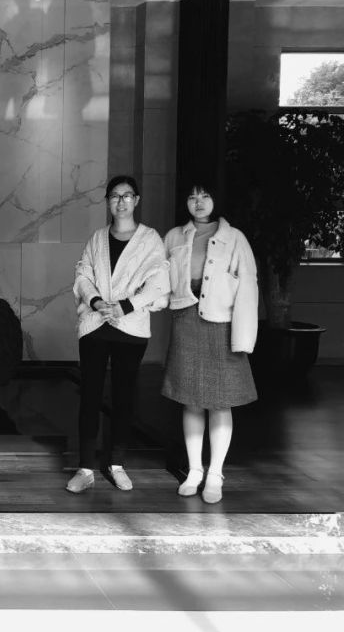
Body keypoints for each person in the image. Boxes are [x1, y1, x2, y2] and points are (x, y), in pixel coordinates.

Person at [68, 175, 170, 494]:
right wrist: (97, 301)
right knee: (90, 394)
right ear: (108, 202)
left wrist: (126, 306)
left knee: (124, 395)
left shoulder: (150, 240)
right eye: (115, 196)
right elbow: (83, 273)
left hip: (131, 327)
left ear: (136, 200)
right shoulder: (97, 238)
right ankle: (85, 467)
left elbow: (159, 281)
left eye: (127, 196)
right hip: (95, 325)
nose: (121, 201)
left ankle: (116, 464)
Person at [162, 182, 258, 504]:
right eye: (192, 196)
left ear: (216, 199)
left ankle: (215, 474)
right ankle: (194, 471)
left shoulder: (235, 237)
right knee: (190, 400)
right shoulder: (173, 237)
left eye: (205, 195)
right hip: (185, 321)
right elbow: (159, 279)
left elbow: (248, 287)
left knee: (220, 401)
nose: (198, 202)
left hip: (222, 324)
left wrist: (243, 337)